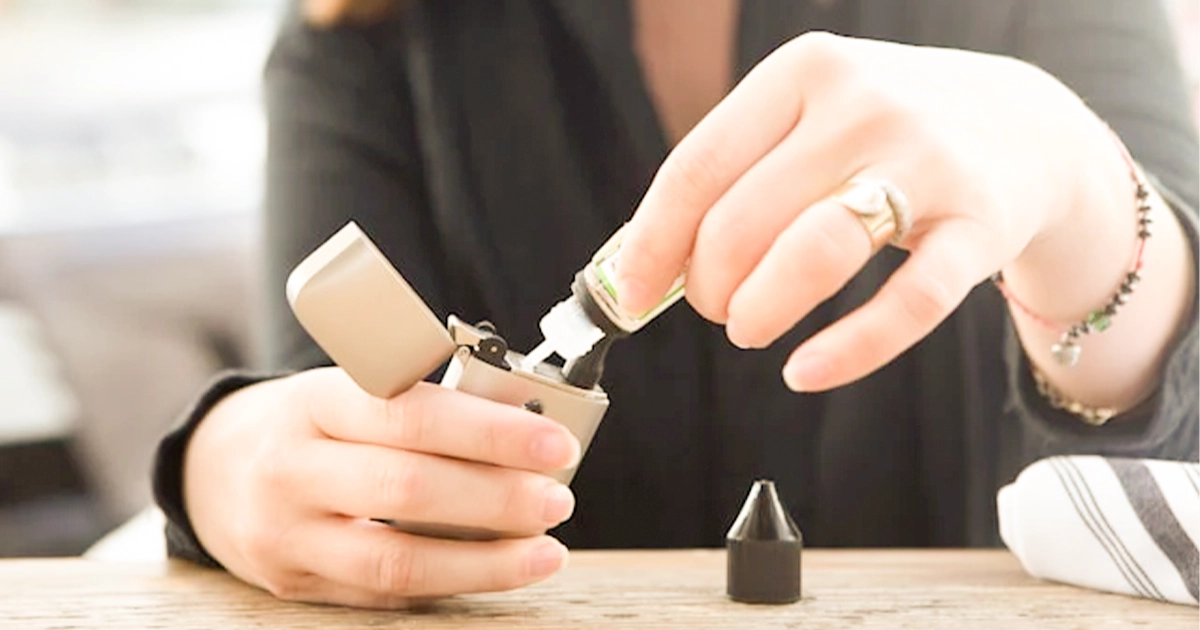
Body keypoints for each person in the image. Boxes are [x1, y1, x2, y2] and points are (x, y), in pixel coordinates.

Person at [152, 0, 1199, 609]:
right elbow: (328, 411)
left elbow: (1181, 436)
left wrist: (1082, 192)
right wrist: (217, 465)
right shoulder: (367, 33)